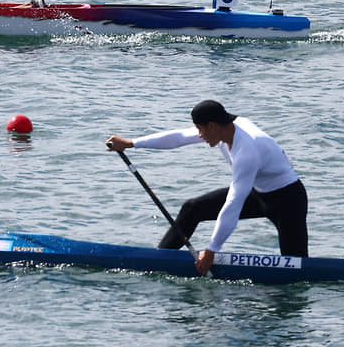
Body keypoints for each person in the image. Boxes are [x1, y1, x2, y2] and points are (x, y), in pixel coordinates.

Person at [105, 99, 308, 275]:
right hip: (258, 194)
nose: (199, 135)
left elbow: (234, 203)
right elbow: (179, 138)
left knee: (297, 267)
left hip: (287, 201)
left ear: (211, 126)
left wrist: (211, 250)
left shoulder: (247, 149)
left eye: (200, 129)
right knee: (193, 208)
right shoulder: (222, 129)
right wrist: (131, 143)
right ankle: (158, 261)